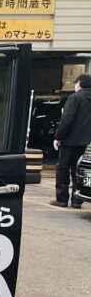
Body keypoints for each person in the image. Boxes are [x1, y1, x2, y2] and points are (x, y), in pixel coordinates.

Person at [51, 73, 91, 209]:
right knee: (79, 171)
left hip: (70, 142)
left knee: (62, 169)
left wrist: (58, 137)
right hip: (87, 145)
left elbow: (67, 120)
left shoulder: (75, 98)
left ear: (79, 84)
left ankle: (62, 199)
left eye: (76, 83)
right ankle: (77, 200)